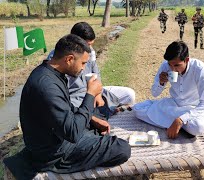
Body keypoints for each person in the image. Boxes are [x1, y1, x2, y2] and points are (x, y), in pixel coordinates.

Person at [15, 34, 131, 178]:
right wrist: (90, 94)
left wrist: (92, 120)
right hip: (53, 153)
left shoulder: (50, 72)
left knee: (95, 117)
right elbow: (73, 133)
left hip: (56, 135)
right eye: (83, 63)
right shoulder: (47, 86)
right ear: (69, 59)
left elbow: (66, 107)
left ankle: (92, 134)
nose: (83, 69)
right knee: (121, 148)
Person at [47, 22, 135, 117]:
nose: (89, 48)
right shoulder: (59, 59)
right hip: (75, 97)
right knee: (77, 114)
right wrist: (89, 97)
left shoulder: (90, 51)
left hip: (93, 90)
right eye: (87, 45)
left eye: (90, 45)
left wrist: (97, 94)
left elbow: (96, 73)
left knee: (129, 94)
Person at [133, 41, 204, 139]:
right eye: (170, 65)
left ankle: (173, 122)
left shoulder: (199, 69)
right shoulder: (165, 66)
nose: (173, 69)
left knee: (198, 128)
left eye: (177, 65)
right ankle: (175, 123)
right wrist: (161, 83)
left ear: (187, 60)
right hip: (173, 105)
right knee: (137, 109)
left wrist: (181, 119)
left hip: (193, 108)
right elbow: (154, 93)